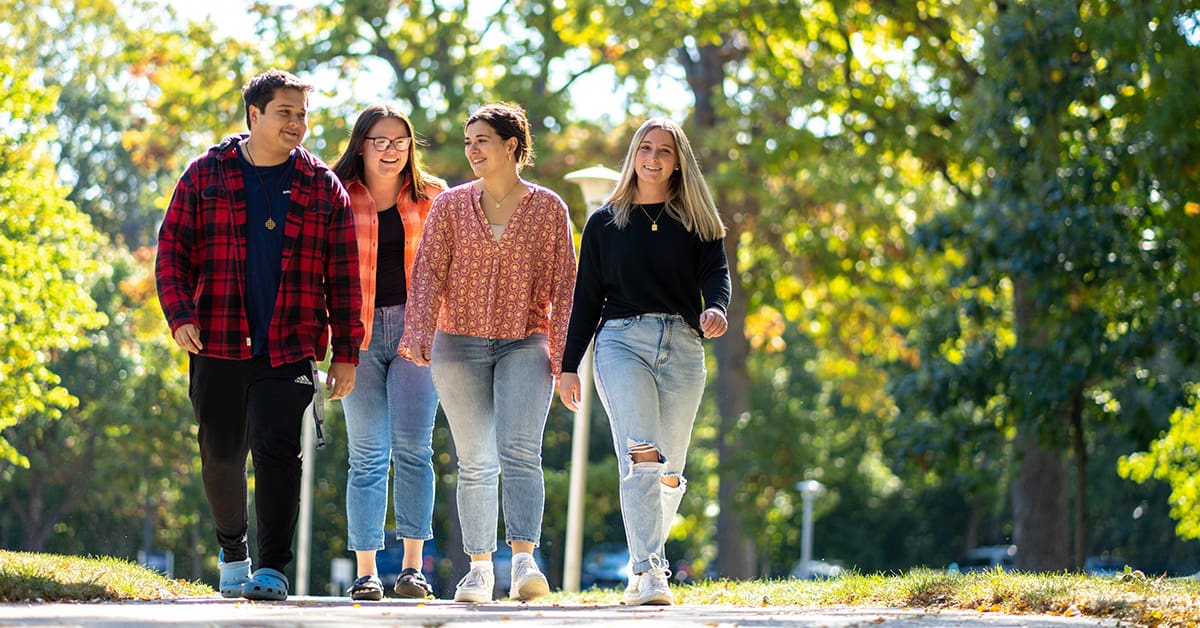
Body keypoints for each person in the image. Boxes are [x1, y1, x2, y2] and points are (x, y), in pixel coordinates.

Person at [155, 69, 363, 602]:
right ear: (255, 114)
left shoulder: (323, 187)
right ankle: (233, 549)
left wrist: (347, 351)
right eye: (285, 112)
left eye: (302, 113)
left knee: (277, 451)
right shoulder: (206, 174)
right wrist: (179, 314)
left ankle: (272, 568)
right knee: (220, 452)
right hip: (217, 337)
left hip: (290, 343)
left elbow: (343, 274)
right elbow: (172, 250)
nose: (297, 122)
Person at [398, 102, 576, 603]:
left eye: (482, 141)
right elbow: (428, 273)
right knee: (475, 460)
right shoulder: (452, 206)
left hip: (526, 340)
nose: (472, 150)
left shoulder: (547, 208)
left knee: (521, 452)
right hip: (457, 343)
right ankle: (479, 568)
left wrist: (564, 363)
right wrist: (417, 333)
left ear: (512, 146)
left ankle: (523, 563)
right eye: (468, 141)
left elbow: (565, 287)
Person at [557, 117, 731, 607]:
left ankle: (643, 565)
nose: (653, 158)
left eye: (665, 151)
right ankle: (651, 571)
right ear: (634, 154)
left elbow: (716, 273)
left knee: (670, 469)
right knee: (642, 455)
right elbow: (586, 297)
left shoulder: (695, 220)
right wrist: (570, 365)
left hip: (682, 345)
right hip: (621, 342)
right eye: (646, 148)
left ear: (679, 162)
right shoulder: (604, 222)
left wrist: (716, 308)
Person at [330, 105, 446, 601]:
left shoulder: (434, 197)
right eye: (380, 140)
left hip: (417, 335)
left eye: (400, 140)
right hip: (356, 337)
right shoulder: (336, 195)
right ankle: (366, 572)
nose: (391, 149)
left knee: (414, 450)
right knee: (367, 456)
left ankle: (414, 569)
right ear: (361, 144)